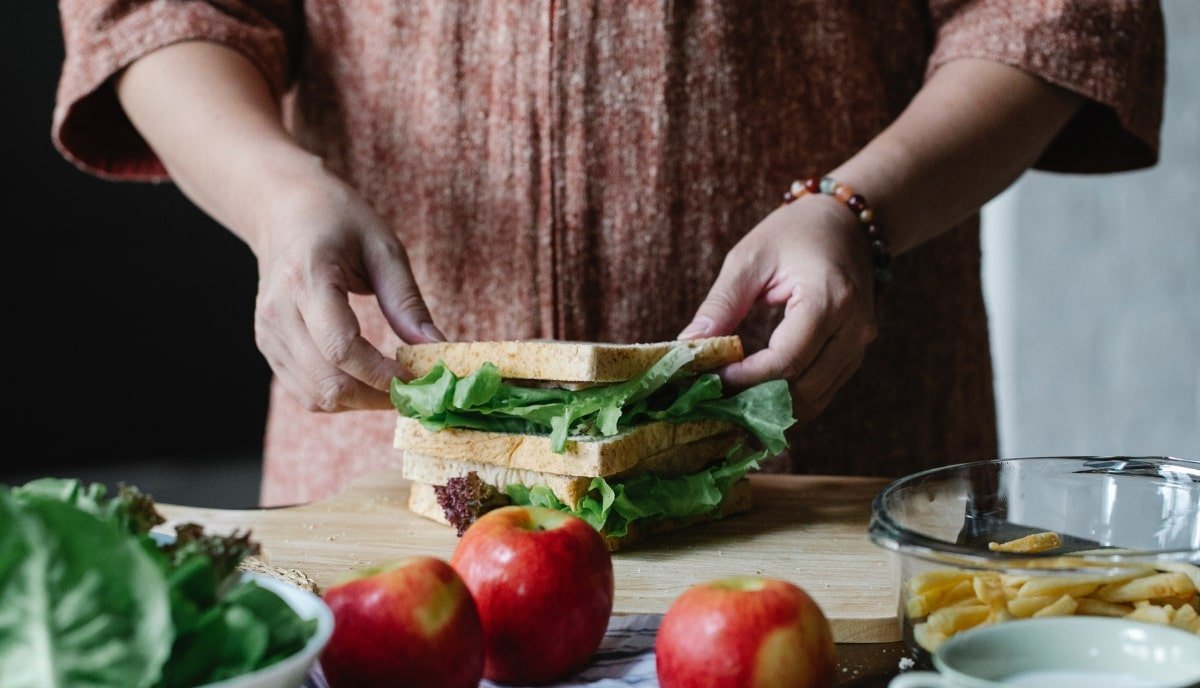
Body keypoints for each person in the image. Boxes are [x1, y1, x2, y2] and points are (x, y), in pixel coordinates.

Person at [53, 1, 1165, 508]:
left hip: (827, 470)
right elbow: (155, 10)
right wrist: (278, 196)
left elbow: (1051, 14)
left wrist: (857, 208)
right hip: (387, 486)